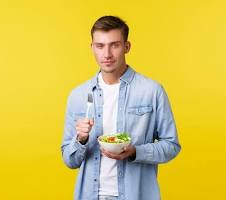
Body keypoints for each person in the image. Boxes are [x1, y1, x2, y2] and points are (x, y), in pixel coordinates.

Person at [61, 15, 181, 200]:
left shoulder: (152, 91)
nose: (107, 54)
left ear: (127, 47)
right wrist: (81, 139)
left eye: (114, 45)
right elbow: (70, 160)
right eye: (100, 46)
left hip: (136, 195)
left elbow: (171, 146)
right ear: (92, 47)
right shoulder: (78, 95)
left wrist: (136, 152)